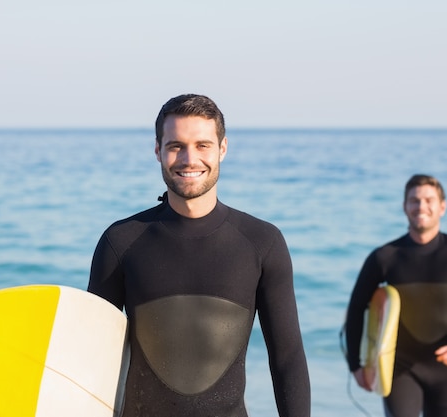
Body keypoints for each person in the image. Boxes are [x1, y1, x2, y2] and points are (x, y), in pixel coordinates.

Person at [88, 94, 310, 417]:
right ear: (157, 151)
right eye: (175, 145)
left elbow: (287, 357)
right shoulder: (121, 243)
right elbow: (94, 356)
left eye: (202, 145)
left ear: (222, 148)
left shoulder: (262, 243)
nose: (189, 159)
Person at [345, 174, 447, 417]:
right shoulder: (385, 257)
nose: (421, 206)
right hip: (399, 368)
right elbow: (356, 308)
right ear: (404, 207)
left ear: (442, 206)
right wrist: (356, 365)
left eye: (429, 200)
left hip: (446, 370)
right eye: (414, 200)